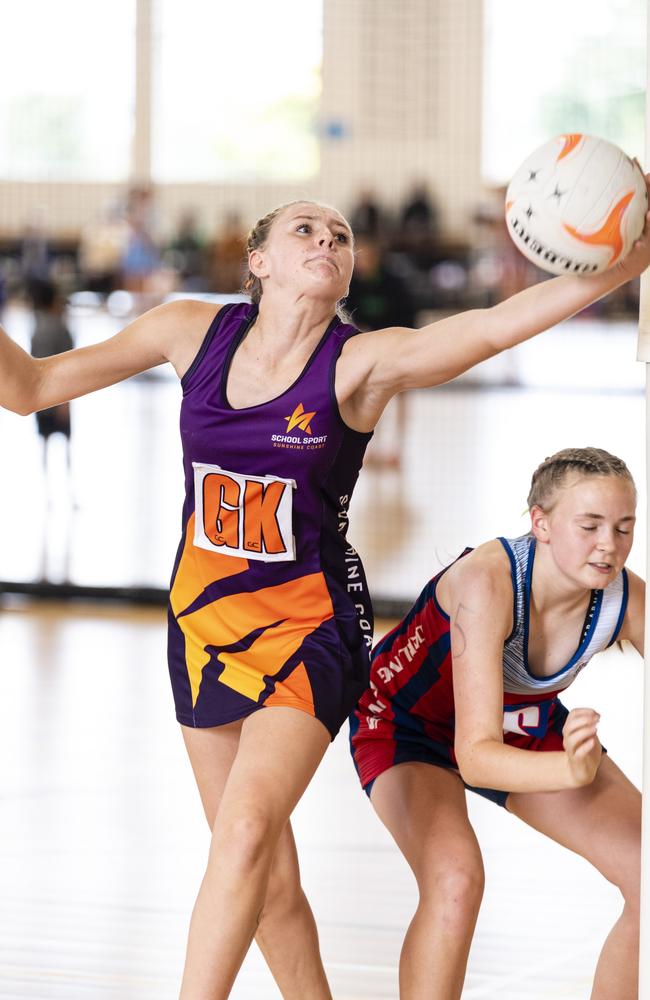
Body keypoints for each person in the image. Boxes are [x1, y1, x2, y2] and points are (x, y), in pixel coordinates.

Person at [1, 196, 650, 999]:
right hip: (202, 631)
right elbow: (28, 388)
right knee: (266, 882)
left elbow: (490, 327)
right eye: (305, 230)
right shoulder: (187, 331)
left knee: (243, 833)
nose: (328, 240)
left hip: (313, 631)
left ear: (346, 270)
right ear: (259, 263)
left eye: (340, 236)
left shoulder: (357, 363)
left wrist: (621, 265)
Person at [350, 446, 644, 1000]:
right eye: (590, 525)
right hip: (408, 725)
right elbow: (476, 755)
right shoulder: (487, 584)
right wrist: (571, 770)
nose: (609, 544)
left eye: (624, 527)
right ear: (541, 524)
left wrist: (569, 767)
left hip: (518, 724)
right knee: (455, 880)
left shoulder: (625, 600)